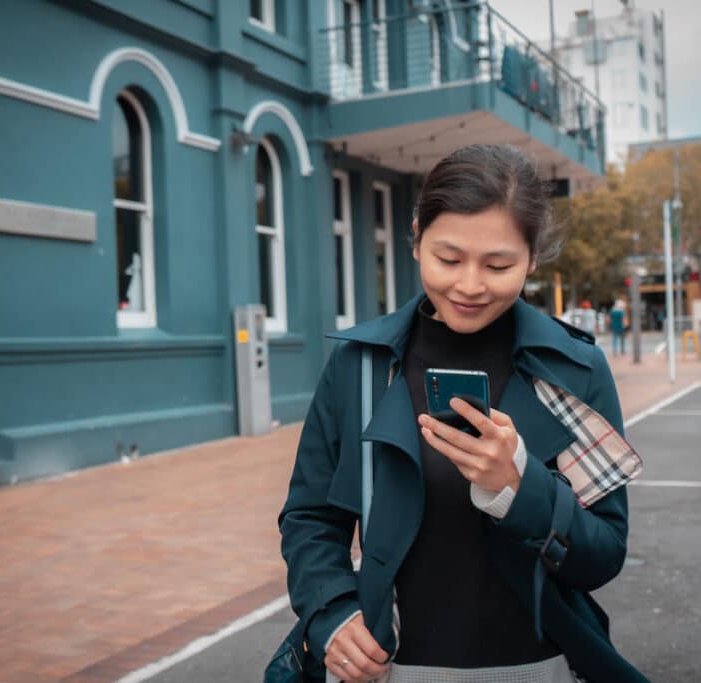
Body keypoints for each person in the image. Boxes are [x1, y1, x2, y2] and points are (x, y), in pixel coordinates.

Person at [275, 145, 647, 683]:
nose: (470, 286)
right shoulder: (360, 364)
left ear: (533, 257)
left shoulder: (574, 369)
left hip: (535, 667)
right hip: (385, 667)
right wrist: (331, 613)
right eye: (448, 259)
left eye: (498, 265)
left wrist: (520, 488)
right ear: (416, 237)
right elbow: (310, 517)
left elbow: (604, 554)